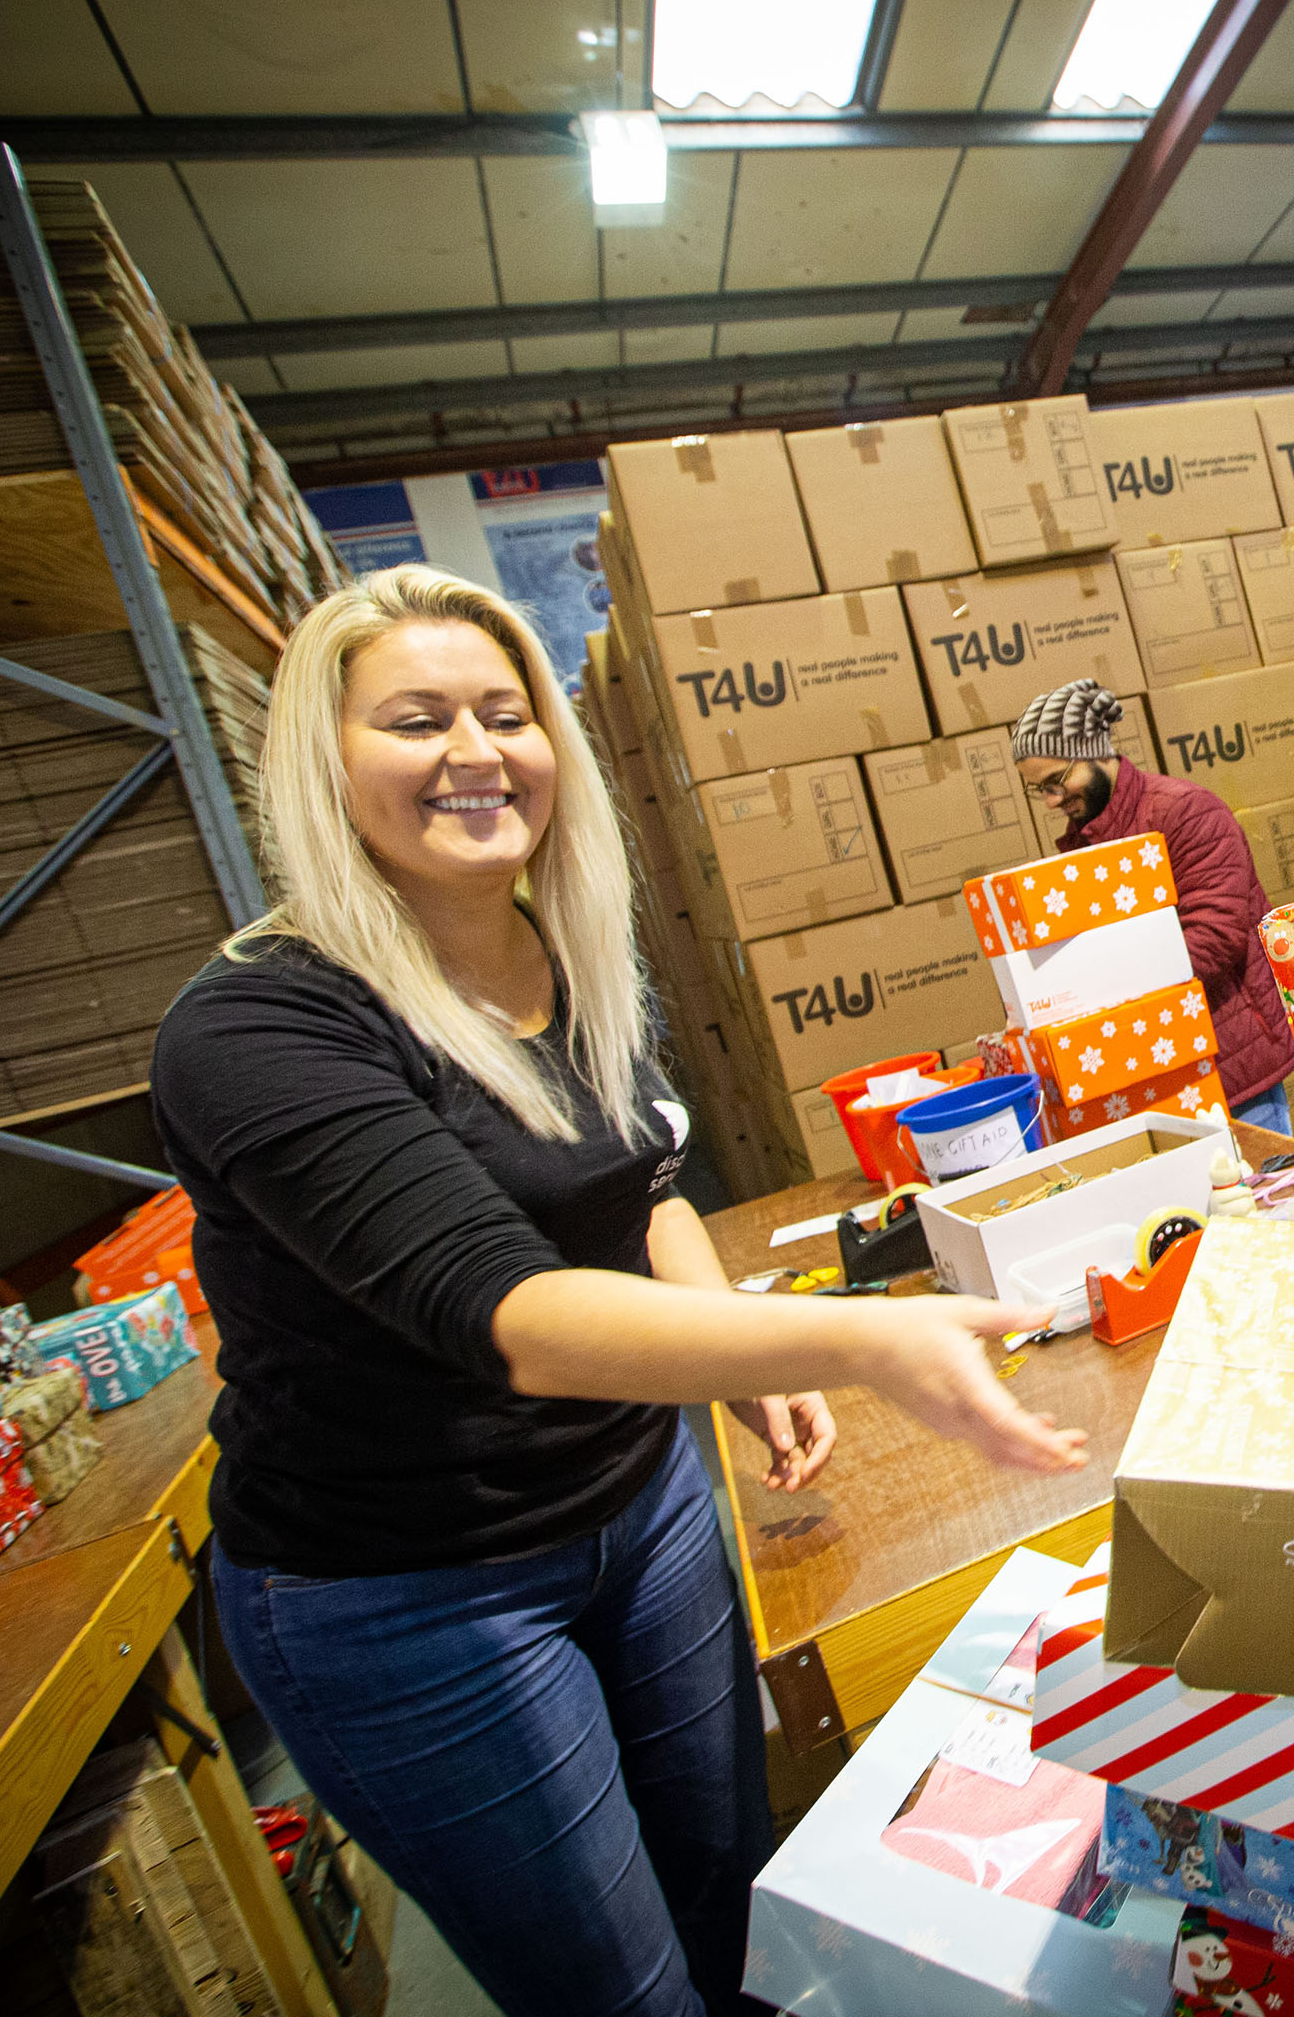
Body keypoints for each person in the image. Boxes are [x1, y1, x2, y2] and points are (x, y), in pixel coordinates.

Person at [151, 566, 1083, 2017]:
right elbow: (509, 1313)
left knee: (734, 1904)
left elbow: (639, 1186)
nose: (474, 752)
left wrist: (743, 1351)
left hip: (641, 1516)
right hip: (410, 1594)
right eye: (416, 721)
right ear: (323, 764)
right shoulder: (261, 1025)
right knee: (624, 1991)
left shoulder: (560, 947)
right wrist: (851, 1340)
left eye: (503, 713)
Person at [1009, 678, 1294, 1132]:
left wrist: (1103, 995)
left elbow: (1214, 939)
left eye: (1057, 781)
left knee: (1255, 1178)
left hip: (1230, 1062)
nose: (1050, 802)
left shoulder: (1186, 813)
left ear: (1095, 752)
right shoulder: (1086, 841)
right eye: (1038, 789)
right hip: (1154, 1064)